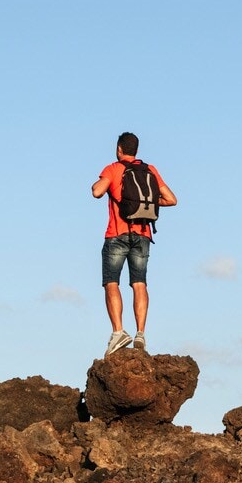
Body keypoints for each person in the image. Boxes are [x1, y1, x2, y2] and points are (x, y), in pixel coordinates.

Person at [91, 132, 177, 355]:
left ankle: (118, 332)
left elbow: (97, 192)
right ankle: (141, 334)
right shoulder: (149, 170)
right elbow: (171, 199)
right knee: (139, 283)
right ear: (136, 150)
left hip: (117, 234)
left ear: (119, 149)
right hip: (143, 234)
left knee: (111, 282)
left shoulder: (113, 168)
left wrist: (101, 183)